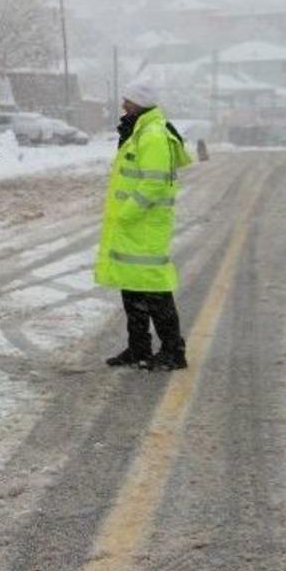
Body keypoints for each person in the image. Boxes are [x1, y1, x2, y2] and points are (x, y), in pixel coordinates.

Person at [95, 80, 193, 371]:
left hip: (145, 226)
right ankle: (139, 348)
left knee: (154, 290)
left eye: (128, 101)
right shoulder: (139, 131)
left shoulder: (152, 134)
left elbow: (154, 182)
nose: (123, 106)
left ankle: (173, 351)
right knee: (133, 287)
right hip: (134, 227)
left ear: (140, 103)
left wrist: (127, 212)